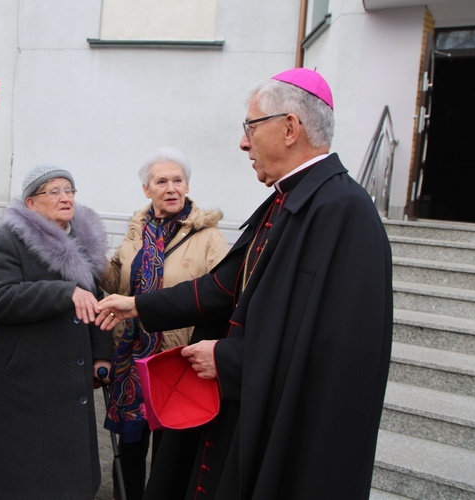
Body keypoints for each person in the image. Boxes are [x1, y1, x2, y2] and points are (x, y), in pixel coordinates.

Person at [96, 68, 393, 499]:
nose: (242, 142)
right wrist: (138, 306)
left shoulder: (343, 211)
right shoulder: (288, 200)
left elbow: (336, 350)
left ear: (289, 128)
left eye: (250, 127)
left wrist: (232, 359)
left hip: (285, 427)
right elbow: (222, 288)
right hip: (243, 404)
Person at [0, 165, 113, 499]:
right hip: (24, 375)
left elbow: (94, 297)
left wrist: (101, 354)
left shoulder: (81, 239)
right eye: (54, 191)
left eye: (69, 190)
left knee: (66, 457)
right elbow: (1, 299)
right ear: (31, 203)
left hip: (70, 368)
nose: (65, 197)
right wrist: (62, 292)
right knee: (25, 463)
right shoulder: (10, 238)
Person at [101, 147, 229, 499]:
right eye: (162, 181)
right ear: (147, 190)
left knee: (170, 452)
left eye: (178, 180)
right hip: (130, 360)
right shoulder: (135, 231)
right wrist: (91, 259)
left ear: (187, 186)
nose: (171, 188)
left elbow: (222, 297)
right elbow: (115, 283)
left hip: (176, 360)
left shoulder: (209, 237)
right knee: (130, 447)